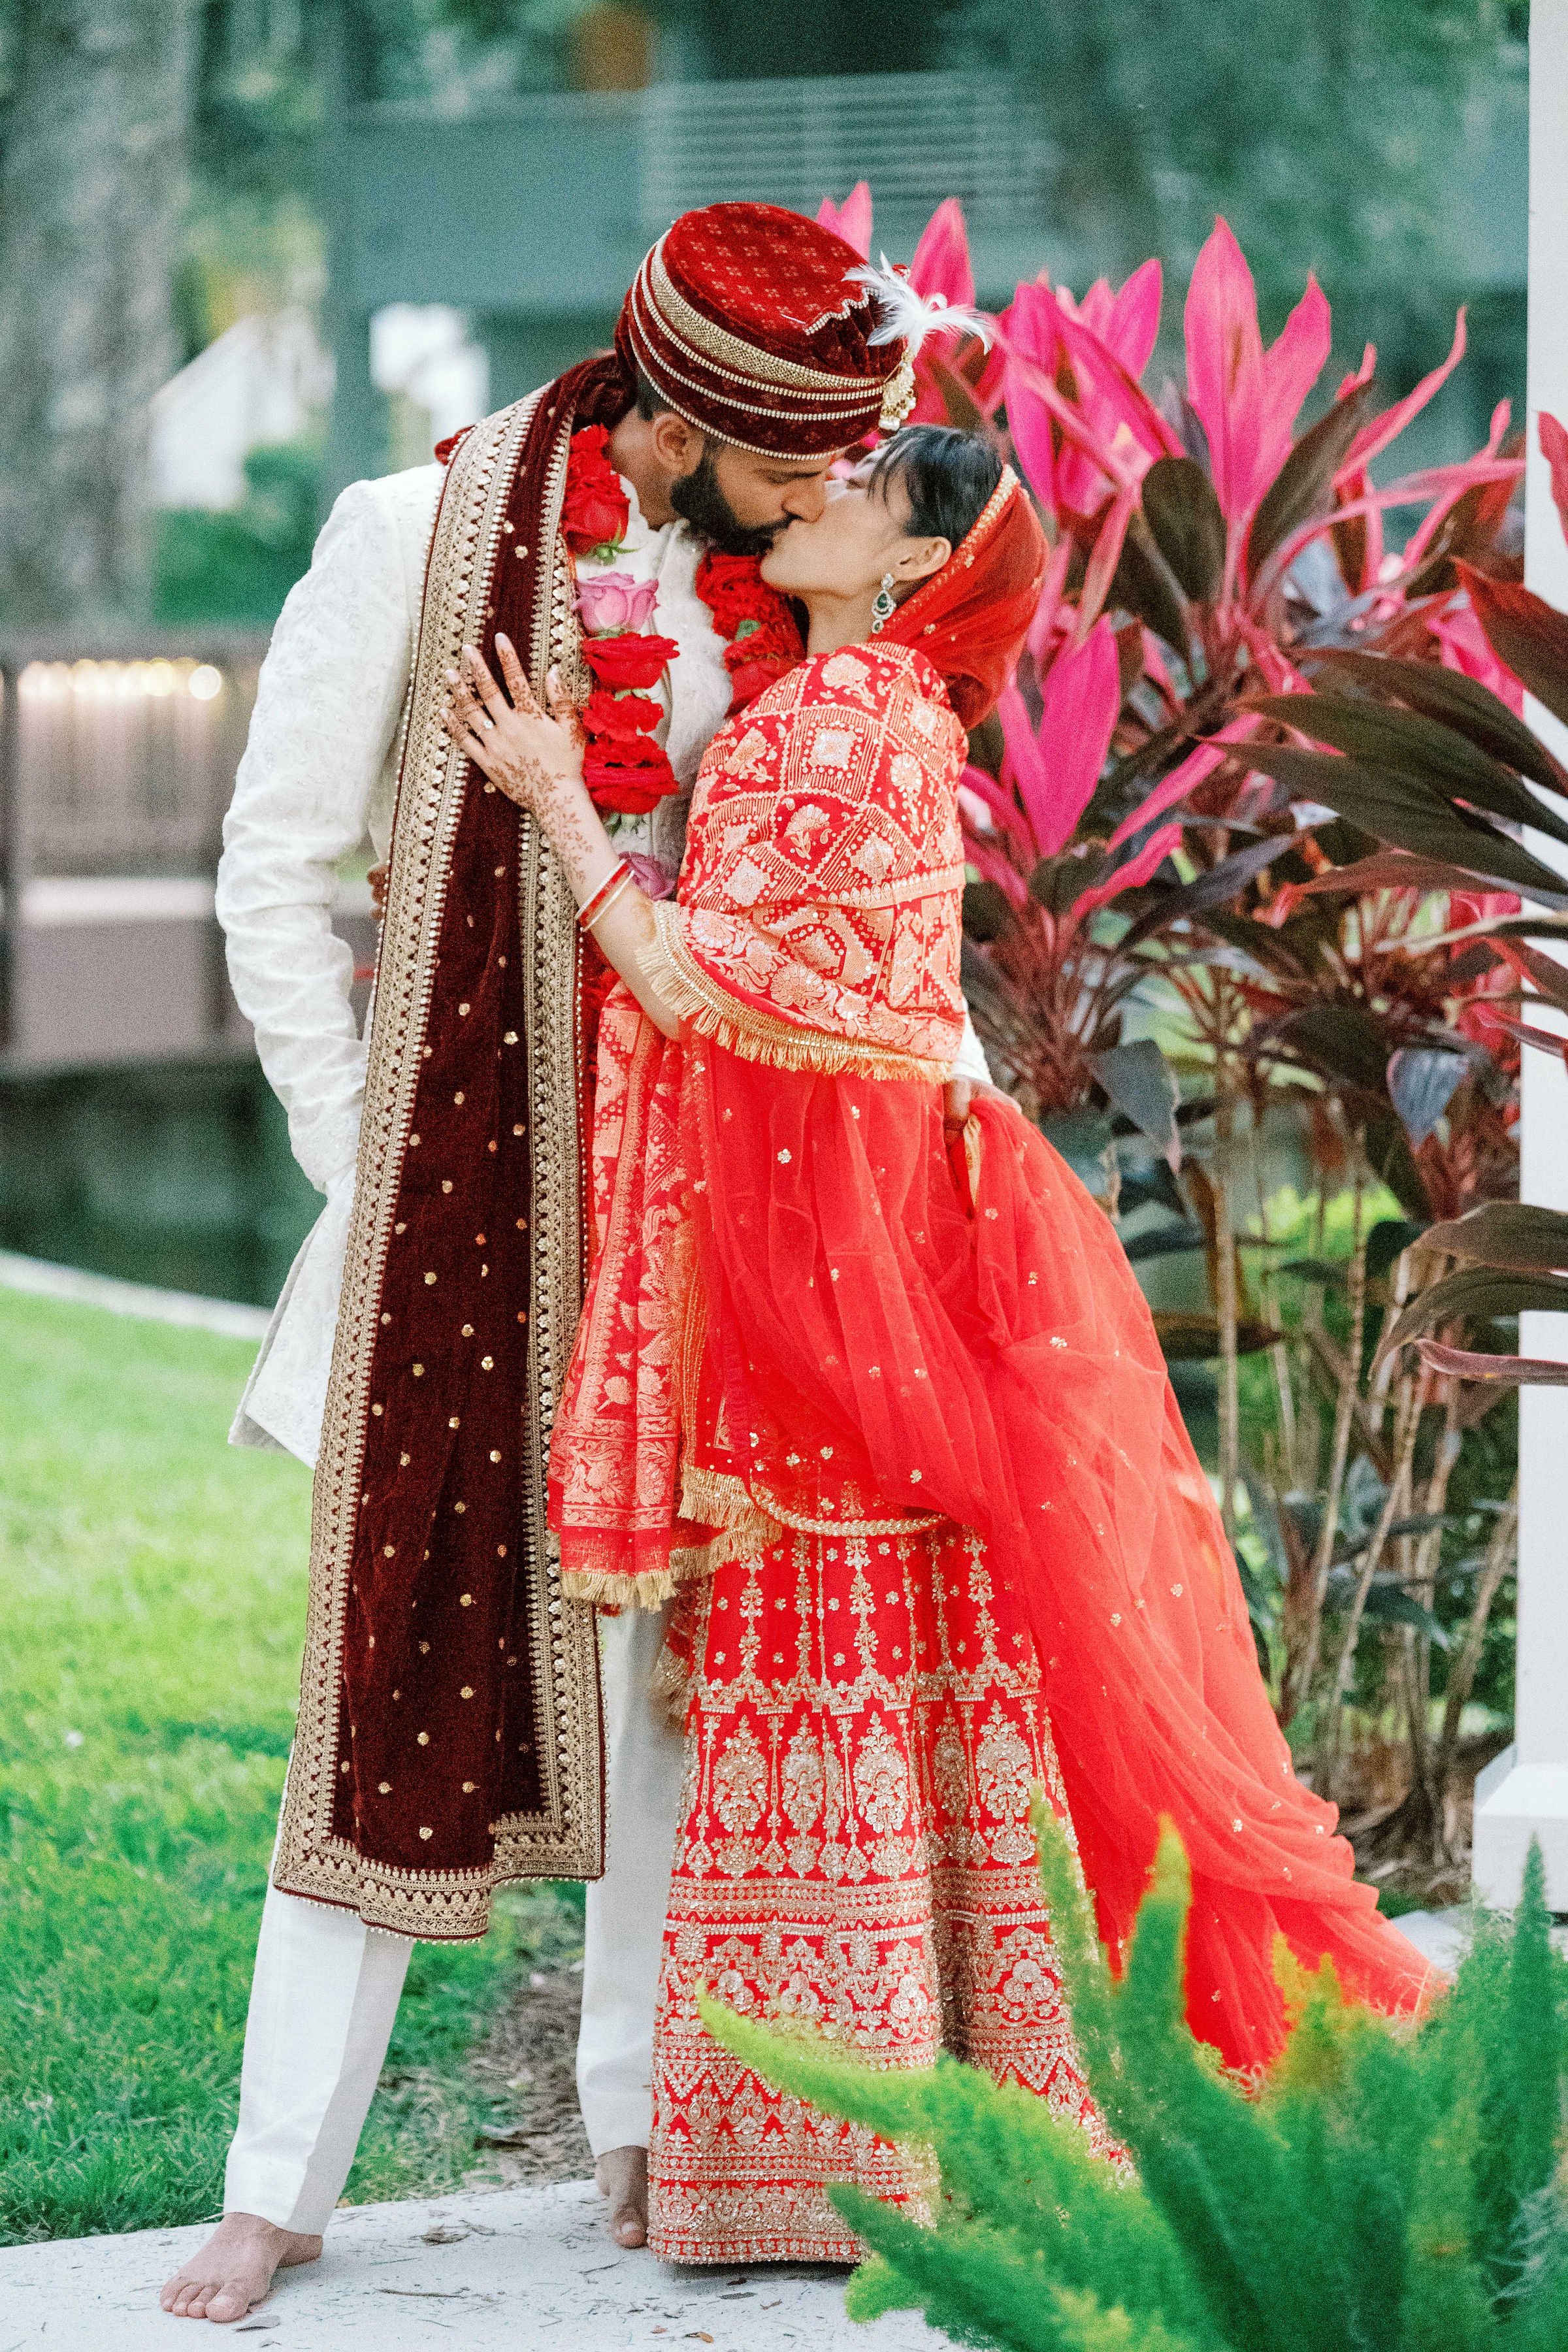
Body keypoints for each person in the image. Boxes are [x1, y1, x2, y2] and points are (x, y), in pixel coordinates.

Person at [442, 421, 1435, 2264]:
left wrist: (557, 803)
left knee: (847, 1663)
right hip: (902, 1262)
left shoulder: (837, 723)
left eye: (863, 489)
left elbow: (715, 991)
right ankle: (980, 2126)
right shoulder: (894, 717)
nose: (819, 493)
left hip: (841, 1287)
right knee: (930, 1674)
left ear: (910, 563)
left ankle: (839, 2160)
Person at [161, 204, 1002, 2325]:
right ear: (688, 421)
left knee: (671, 1696)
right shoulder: (405, 537)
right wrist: (366, 1159)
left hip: (712, 1231)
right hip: (459, 1220)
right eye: (795, 460)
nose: (820, 496)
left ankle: (642, 2127)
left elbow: (834, 924)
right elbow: (271, 871)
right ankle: (277, 2181)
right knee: (389, 1674)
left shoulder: (775, 610)